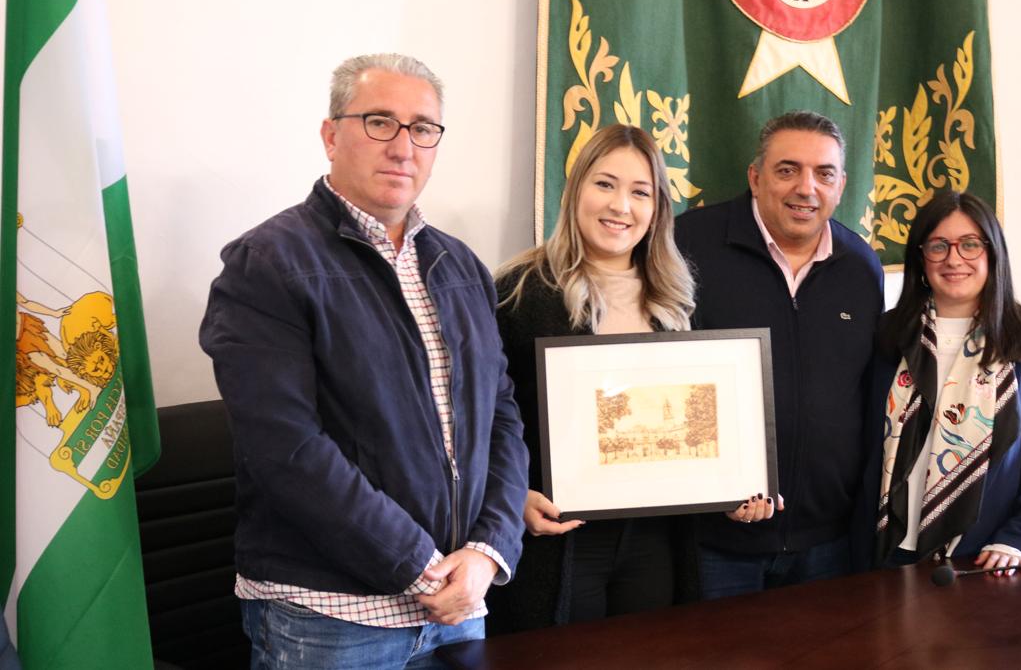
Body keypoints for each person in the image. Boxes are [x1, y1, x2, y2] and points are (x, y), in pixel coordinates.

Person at [199, 53, 528, 668]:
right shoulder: (267, 263)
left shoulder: (460, 267)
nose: (404, 147)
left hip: (461, 604)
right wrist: (419, 566)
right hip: (331, 618)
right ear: (330, 135)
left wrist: (489, 549)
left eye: (423, 128)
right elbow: (286, 448)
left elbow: (501, 418)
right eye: (380, 122)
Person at [485, 124, 699, 632]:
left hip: (653, 539)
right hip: (555, 540)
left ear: (657, 208)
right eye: (605, 184)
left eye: (640, 192)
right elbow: (478, 419)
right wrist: (510, 496)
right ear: (576, 190)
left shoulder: (676, 301)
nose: (620, 206)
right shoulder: (517, 293)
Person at [674, 110, 884, 599]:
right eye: (787, 170)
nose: (806, 188)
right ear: (755, 176)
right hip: (717, 539)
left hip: (830, 543)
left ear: (841, 184)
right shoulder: (688, 244)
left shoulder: (861, 267)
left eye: (824, 173)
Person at [864, 190, 1021, 573]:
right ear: (920, 257)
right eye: (938, 245)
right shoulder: (888, 334)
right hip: (886, 548)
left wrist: (1020, 538)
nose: (953, 259)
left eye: (970, 244)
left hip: (985, 556)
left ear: (993, 254)